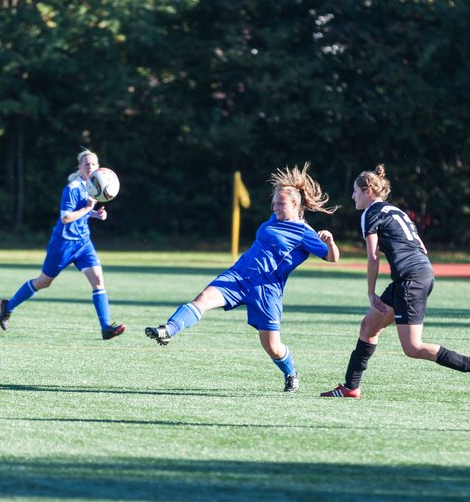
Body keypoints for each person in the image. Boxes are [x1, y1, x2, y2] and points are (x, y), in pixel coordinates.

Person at [144, 165, 340, 391]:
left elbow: (332, 258)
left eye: (280, 203)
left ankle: (291, 374)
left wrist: (330, 242)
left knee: (272, 347)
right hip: (238, 276)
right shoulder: (274, 219)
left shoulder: (305, 233)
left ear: (295, 204)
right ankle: (169, 330)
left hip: (266, 290)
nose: (275, 206)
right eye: (274, 202)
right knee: (203, 299)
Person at [321, 165, 470, 400]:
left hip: (410, 280)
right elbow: (421, 246)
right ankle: (351, 387)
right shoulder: (396, 211)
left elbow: (372, 256)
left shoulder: (370, 213)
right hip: (415, 274)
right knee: (369, 326)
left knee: (413, 348)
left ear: (368, 190)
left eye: (355, 191)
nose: (352, 196)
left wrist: (371, 293)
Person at [0, 149, 125, 340]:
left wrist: (95, 214)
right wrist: (88, 208)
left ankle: (106, 327)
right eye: (86, 164)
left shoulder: (92, 187)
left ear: (99, 168)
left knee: (98, 280)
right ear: (80, 167)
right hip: (63, 244)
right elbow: (66, 218)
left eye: (93, 164)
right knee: (43, 282)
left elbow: (82, 212)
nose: (90, 167)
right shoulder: (72, 188)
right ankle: (8, 306)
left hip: (83, 243)